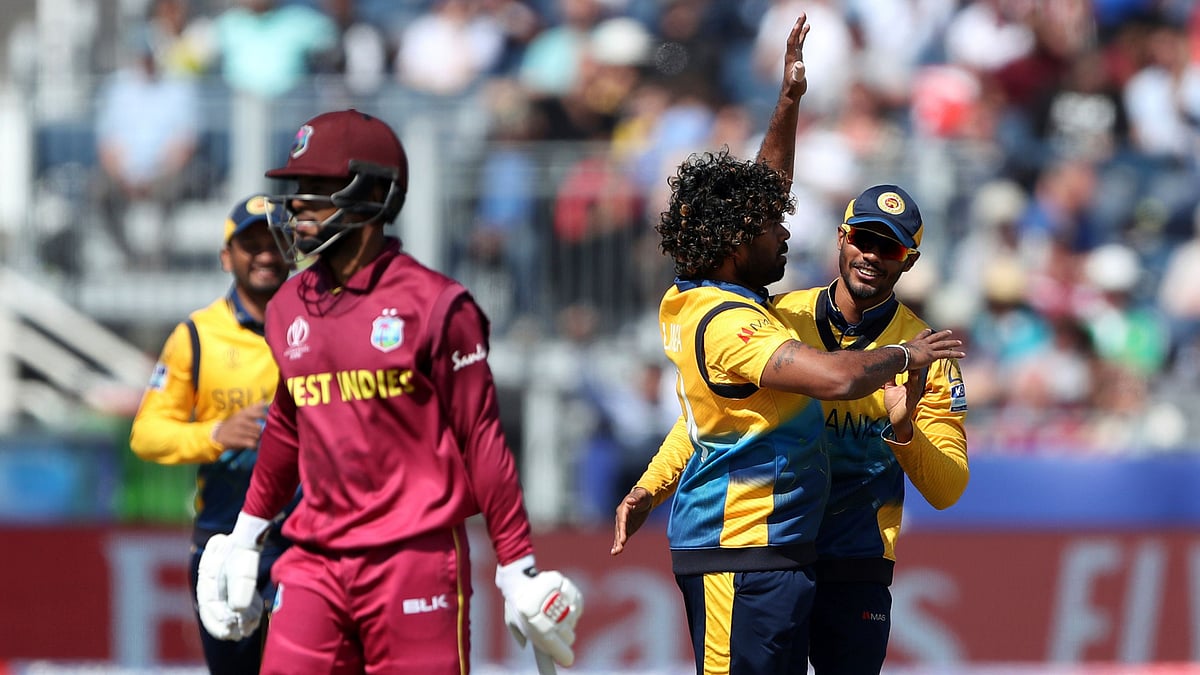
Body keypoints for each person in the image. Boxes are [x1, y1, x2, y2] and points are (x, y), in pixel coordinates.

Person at [611, 17, 971, 675]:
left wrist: (904, 432)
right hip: (768, 548)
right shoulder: (782, 318)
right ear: (840, 235)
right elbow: (712, 420)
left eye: (889, 247)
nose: (871, 254)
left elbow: (947, 488)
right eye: (862, 236)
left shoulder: (926, 346)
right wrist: (656, 481)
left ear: (910, 259)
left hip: (851, 561)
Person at [193, 109, 582, 674]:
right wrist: (247, 534)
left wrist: (516, 565)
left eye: (320, 189)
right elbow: (286, 425)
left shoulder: (438, 306)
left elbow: (482, 441)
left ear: (376, 193)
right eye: (298, 189)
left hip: (415, 557)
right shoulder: (287, 306)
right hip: (313, 560)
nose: (299, 204)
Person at [129, 194, 293, 674]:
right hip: (223, 539)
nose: (265, 254)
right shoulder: (196, 336)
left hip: (303, 539)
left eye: (274, 242)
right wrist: (217, 433)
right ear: (227, 256)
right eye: (251, 244)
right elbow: (147, 434)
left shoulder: (319, 327)